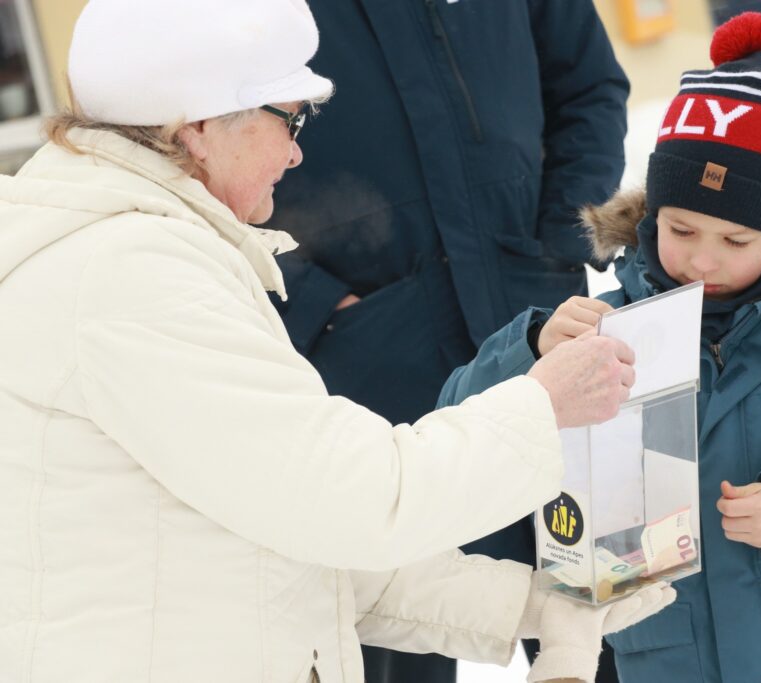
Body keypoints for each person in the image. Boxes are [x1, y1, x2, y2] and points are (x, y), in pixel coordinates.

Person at [0, 1, 675, 681]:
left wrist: (539, 608)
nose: (297, 151)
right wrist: (541, 404)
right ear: (199, 127)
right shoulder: (134, 276)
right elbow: (360, 502)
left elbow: (314, 559)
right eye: (289, 118)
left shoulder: (154, 246)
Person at [439, 12, 761, 683]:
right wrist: (530, 348)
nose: (701, 260)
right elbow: (456, 427)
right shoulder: (612, 329)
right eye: (681, 228)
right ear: (653, 213)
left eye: (736, 241)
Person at [265, 2, 630, 679]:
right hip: (373, 367)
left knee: (598, 617)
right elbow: (206, 157)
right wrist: (318, 305)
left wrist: (559, 235)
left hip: (541, 336)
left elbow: (589, 86)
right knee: (398, 624)